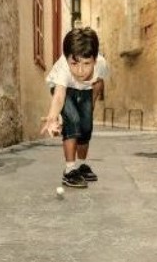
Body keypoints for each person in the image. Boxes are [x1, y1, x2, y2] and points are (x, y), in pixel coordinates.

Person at [41, 27, 110, 188]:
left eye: (87, 64)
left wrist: (90, 107)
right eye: (74, 63)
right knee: (73, 120)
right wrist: (52, 118)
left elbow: (98, 84)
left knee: (86, 127)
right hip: (64, 89)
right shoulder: (64, 68)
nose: (80, 70)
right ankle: (69, 170)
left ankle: (81, 165)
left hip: (86, 90)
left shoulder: (101, 64)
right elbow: (59, 96)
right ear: (67, 59)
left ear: (94, 59)